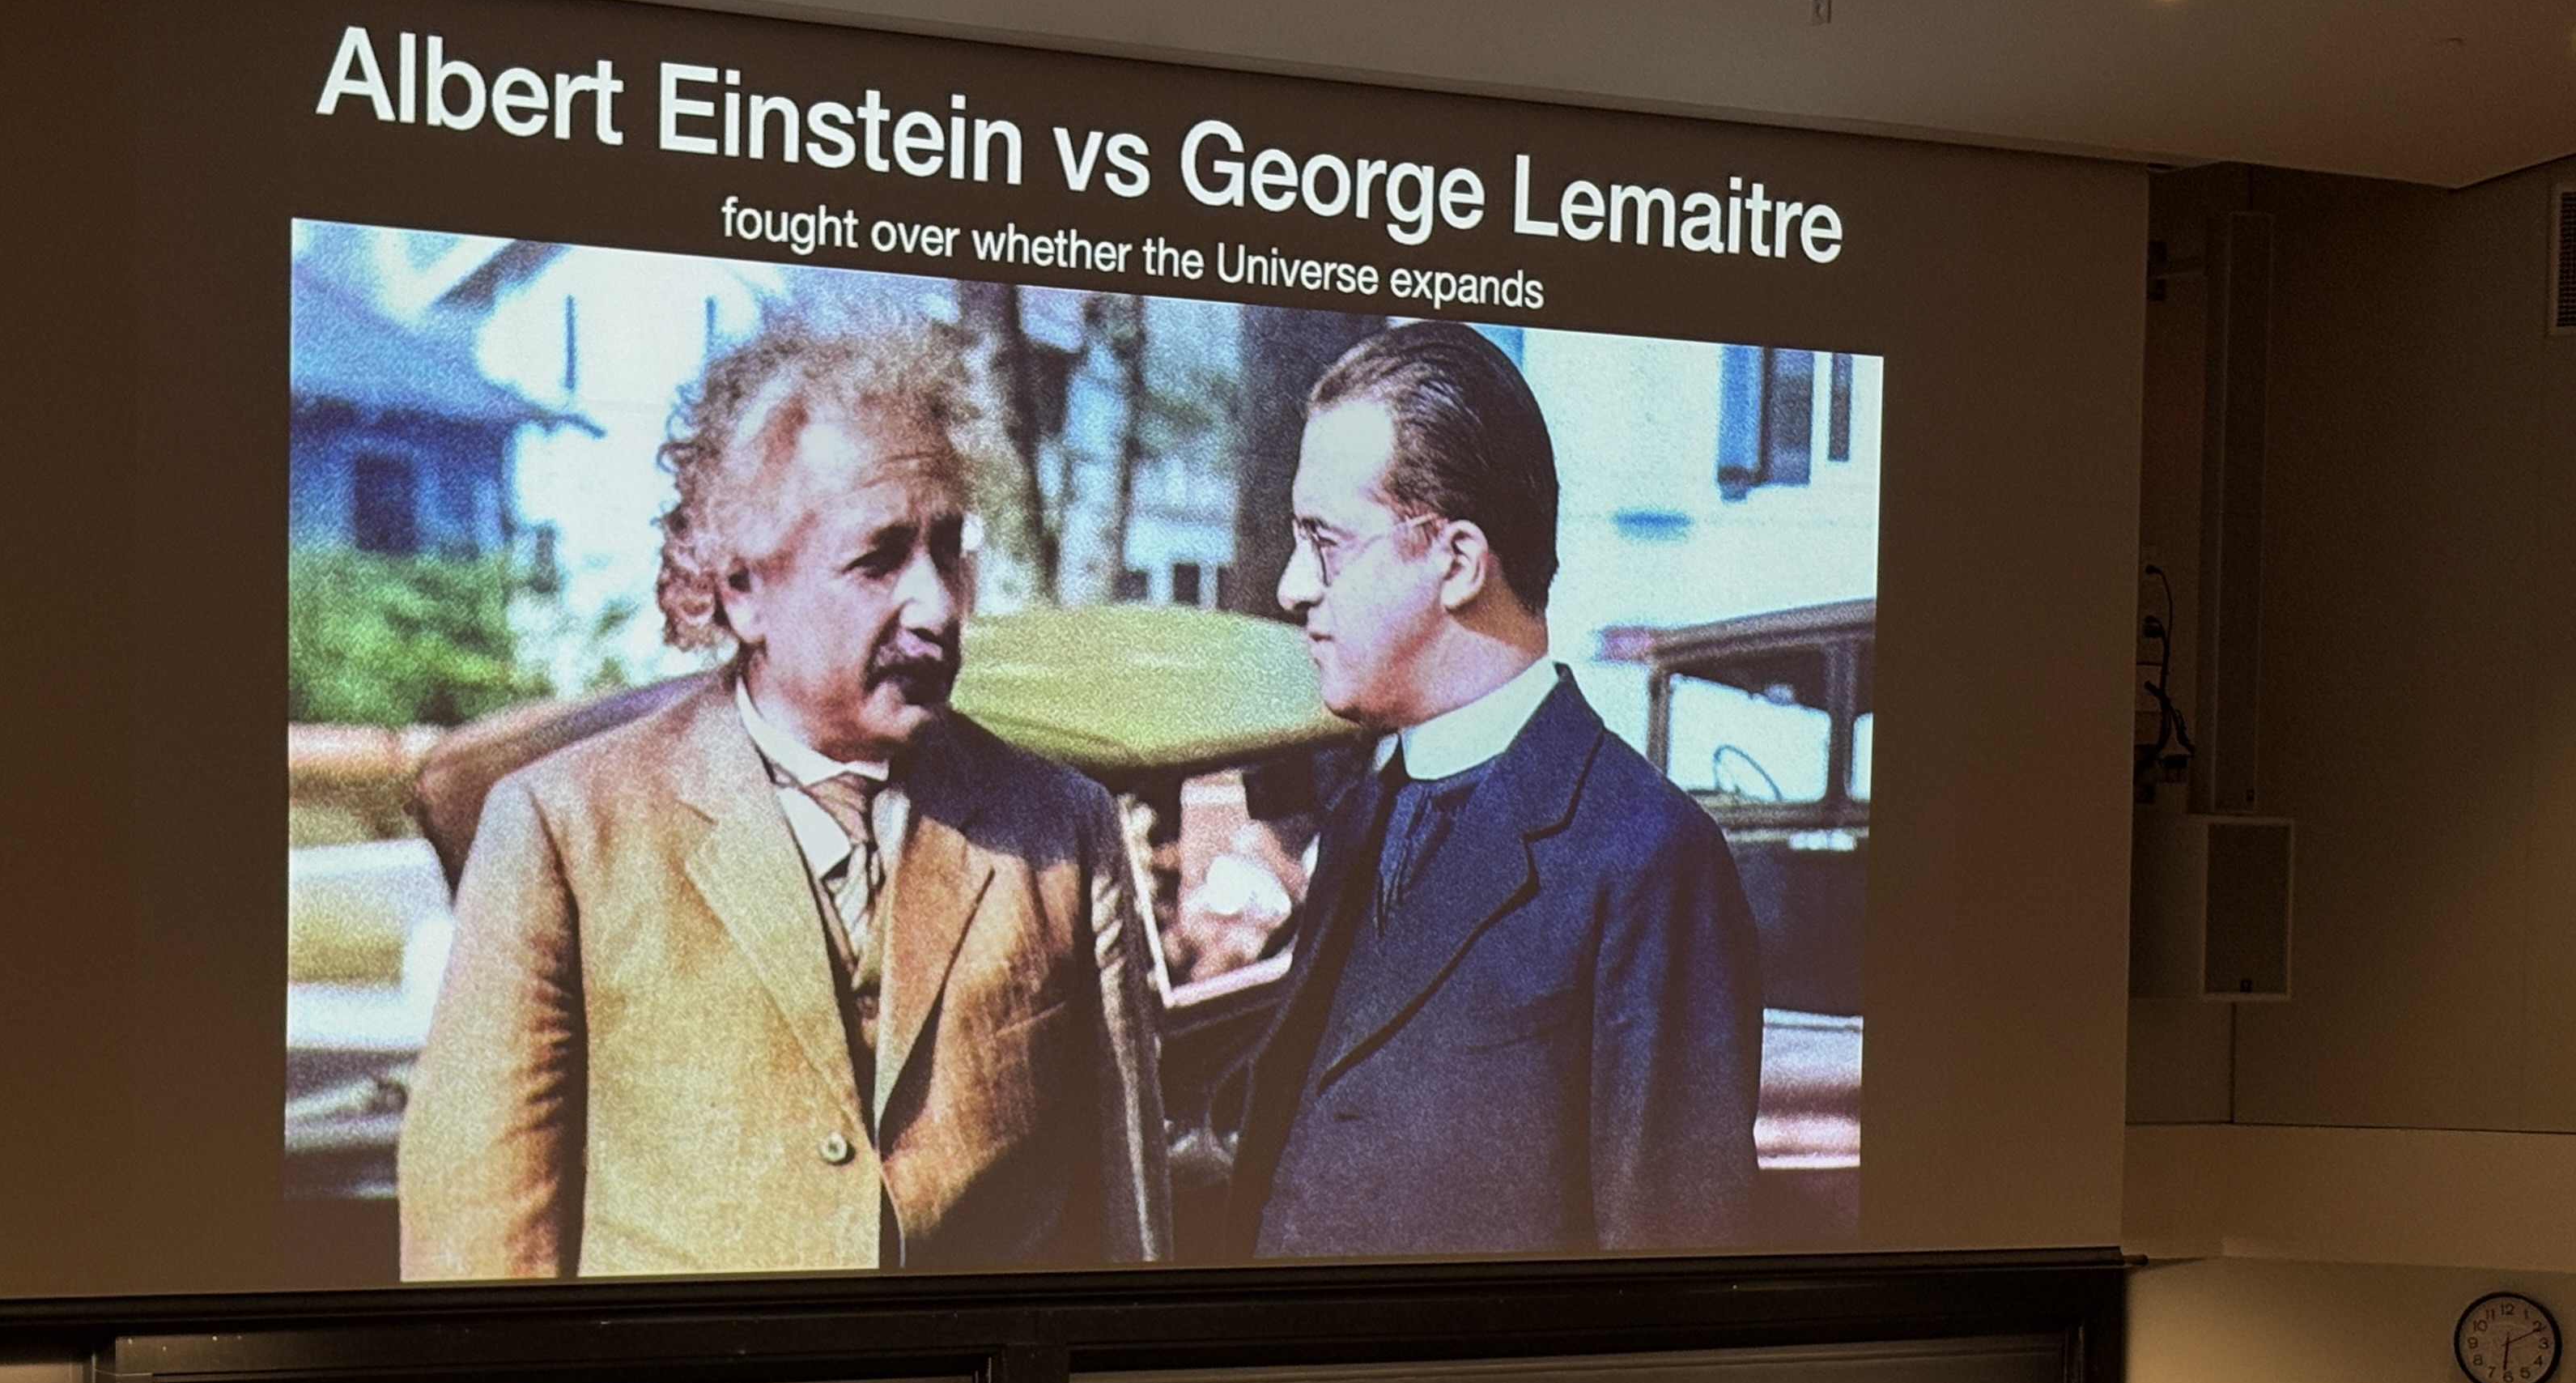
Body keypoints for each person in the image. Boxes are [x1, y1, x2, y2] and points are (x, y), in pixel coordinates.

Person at [402, 321, 1167, 1278]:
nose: (937, 606)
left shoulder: (1061, 829)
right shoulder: (567, 831)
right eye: (878, 559)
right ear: (741, 591)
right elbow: (479, 1252)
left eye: (948, 549)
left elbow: (1124, 1233)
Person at [1222, 321, 1762, 1260]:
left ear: (1460, 561)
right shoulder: (1361, 820)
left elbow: (1674, 1269)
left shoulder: (1646, 857)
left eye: (1325, 542)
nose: (1292, 587)